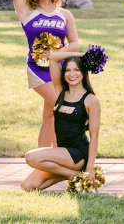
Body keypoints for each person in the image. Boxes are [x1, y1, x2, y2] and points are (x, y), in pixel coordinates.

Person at [1, 0, 82, 147]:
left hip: (61, 70)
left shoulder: (65, 15)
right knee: (63, 107)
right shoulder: (27, 11)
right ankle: (61, 155)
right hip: (37, 70)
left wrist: (56, 53)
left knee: (49, 115)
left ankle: (43, 161)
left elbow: (75, 43)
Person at [20, 58, 102, 191]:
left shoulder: (91, 100)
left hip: (78, 154)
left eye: (76, 69)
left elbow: (94, 136)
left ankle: (79, 173)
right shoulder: (59, 91)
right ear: (63, 73)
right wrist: (81, 54)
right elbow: (53, 59)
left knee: (31, 157)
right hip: (61, 154)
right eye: (68, 70)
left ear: (83, 72)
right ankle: (75, 175)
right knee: (27, 186)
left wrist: (90, 166)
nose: (72, 74)